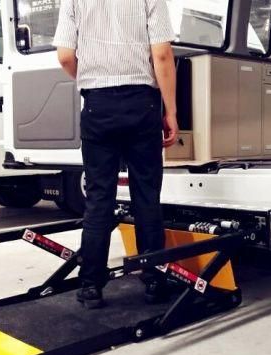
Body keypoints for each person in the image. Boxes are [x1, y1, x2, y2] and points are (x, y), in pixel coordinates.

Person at [53, 0, 178, 309]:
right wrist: (171, 111)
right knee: (146, 196)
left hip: (98, 105)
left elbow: (65, 56)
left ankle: (91, 287)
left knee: (99, 199)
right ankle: (153, 281)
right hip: (142, 103)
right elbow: (161, 54)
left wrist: (94, 79)